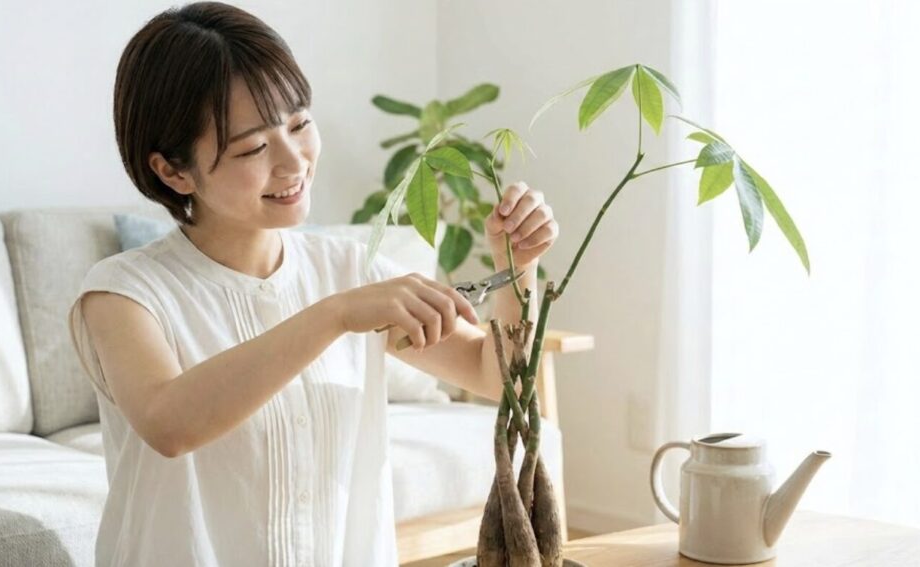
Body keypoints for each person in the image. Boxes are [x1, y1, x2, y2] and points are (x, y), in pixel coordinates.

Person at [67, 2, 558, 566]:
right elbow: (170, 423)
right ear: (173, 171)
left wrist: (518, 266)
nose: (293, 160)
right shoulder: (123, 292)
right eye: (253, 148)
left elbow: (495, 378)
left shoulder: (350, 271)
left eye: (299, 124)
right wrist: (334, 315)